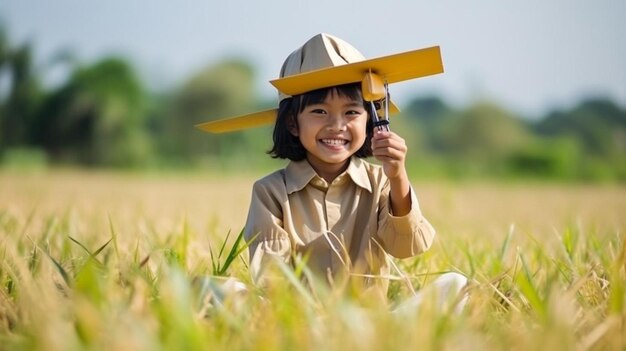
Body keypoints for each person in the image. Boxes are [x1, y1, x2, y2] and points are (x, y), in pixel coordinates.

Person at [197, 33, 467, 309]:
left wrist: (397, 175)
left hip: (372, 322)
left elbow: (406, 248)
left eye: (351, 112)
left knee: (455, 284)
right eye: (319, 112)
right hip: (297, 321)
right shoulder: (270, 192)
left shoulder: (381, 182)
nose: (337, 125)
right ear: (292, 123)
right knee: (211, 288)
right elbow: (271, 276)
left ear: (371, 120)